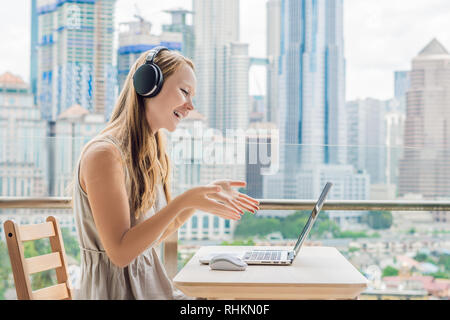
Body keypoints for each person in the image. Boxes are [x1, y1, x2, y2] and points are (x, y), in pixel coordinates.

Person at [71, 47, 260, 300]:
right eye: (185, 92)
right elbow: (120, 252)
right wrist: (185, 200)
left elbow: (158, 232)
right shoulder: (104, 155)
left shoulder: (146, 154)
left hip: (151, 290)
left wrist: (198, 200)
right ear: (148, 84)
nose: (190, 106)